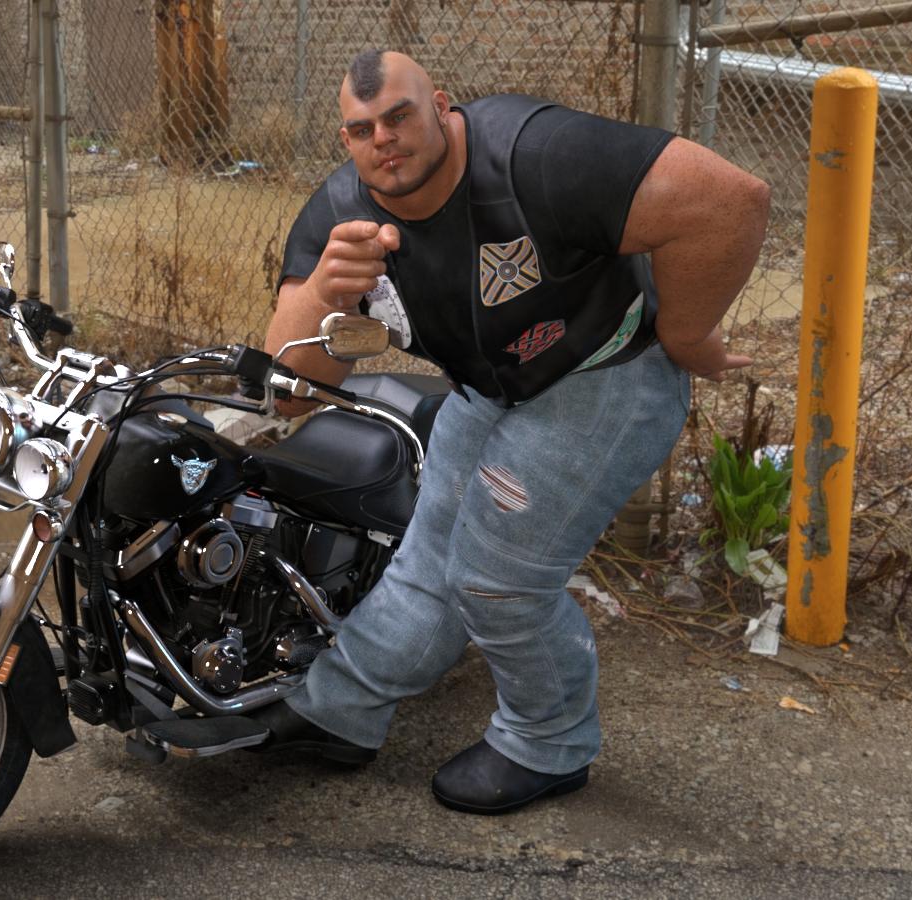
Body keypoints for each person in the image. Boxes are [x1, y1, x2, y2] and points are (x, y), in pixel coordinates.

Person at [253, 49, 769, 815]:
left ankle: (549, 742)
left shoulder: (533, 155)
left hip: (605, 375)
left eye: (399, 116)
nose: (383, 140)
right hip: (489, 389)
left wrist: (688, 334)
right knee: (429, 561)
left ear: (442, 106)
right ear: (346, 139)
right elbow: (287, 391)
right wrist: (328, 293)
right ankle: (338, 711)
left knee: (496, 579)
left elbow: (729, 198)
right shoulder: (345, 214)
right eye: (362, 130)